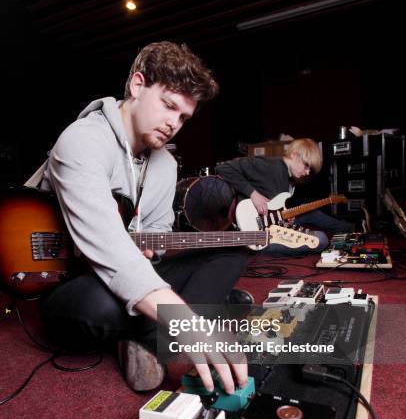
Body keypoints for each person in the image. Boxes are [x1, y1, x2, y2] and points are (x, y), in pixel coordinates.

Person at [38, 41, 249, 394]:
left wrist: (153, 249)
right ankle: (196, 315)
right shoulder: (82, 141)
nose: (173, 123)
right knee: (102, 303)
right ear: (137, 86)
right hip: (71, 281)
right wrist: (190, 325)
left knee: (233, 248)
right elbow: (114, 255)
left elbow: (157, 232)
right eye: (168, 106)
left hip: (132, 271)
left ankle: (149, 341)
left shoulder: (165, 163)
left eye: (183, 117)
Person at [216, 138, 352, 257]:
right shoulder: (269, 165)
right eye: (306, 165)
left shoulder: (289, 179)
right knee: (321, 240)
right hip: (261, 237)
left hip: (274, 223)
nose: (308, 172)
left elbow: (274, 204)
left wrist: (285, 215)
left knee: (310, 212)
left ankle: (351, 228)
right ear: (294, 155)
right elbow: (223, 168)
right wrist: (254, 194)